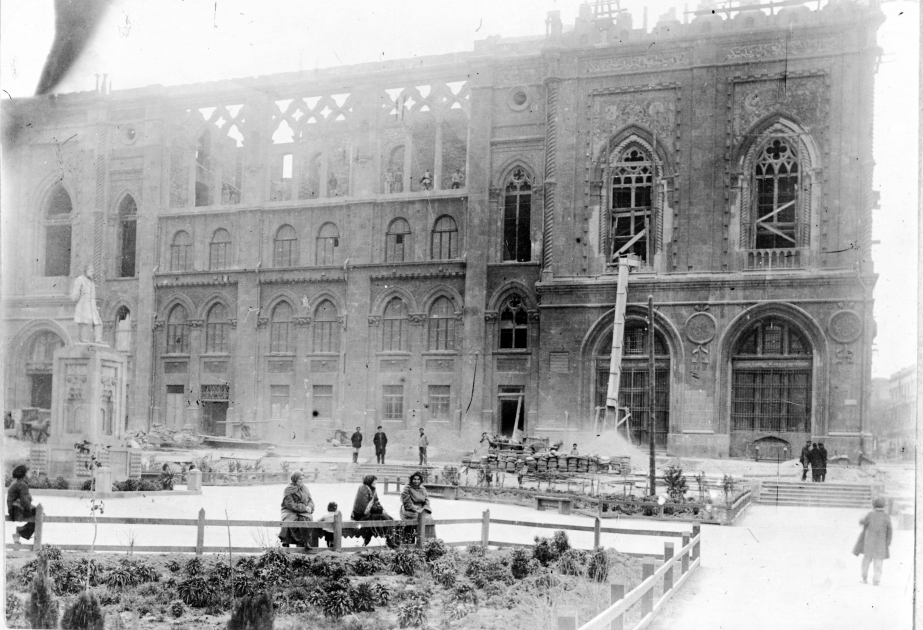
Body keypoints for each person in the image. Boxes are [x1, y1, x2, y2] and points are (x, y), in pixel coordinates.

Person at [853, 497, 893, 585]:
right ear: (883, 506)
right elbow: (889, 529)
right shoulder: (886, 516)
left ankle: (864, 578)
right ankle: (876, 580)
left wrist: (861, 519)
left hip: (869, 542)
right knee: (878, 561)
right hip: (881, 543)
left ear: (874, 506)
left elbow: (863, 522)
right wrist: (888, 541)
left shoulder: (870, 515)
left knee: (866, 560)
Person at [351, 475, 395, 546]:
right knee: (385, 518)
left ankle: (390, 540)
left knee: (390, 518)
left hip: (368, 514)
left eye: (375, 482)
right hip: (360, 516)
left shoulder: (372, 489)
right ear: (369, 482)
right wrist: (380, 510)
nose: (375, 484)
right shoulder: (363, 489)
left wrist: (383, 510)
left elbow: (376, 502)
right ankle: (390, 541)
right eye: (374, 482)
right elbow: (364, 508)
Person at [278, 471, 314, 547]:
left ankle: (306, 541)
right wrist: (304, 507)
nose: (302, 481)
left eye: (303, 479)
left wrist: (310, 507)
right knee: (288, 521)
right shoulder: (288, 489)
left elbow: (310, 500)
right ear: (294, 479)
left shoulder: (305, 488)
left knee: (306, 519)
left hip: (303, 511)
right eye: (300, 479)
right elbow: (291, 505)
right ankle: (286, 542)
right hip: (289, 511)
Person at [71, 263, 104, 344]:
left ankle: (98, 339)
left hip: (92, 305)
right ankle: (83, 338)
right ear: (85, 270)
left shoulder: (91, 282)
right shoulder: (80, 279)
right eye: (90, 270)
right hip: (83, 304)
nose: (92, 272)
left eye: (93, 271)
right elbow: (75, 294)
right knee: (83, 322)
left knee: (97, 322)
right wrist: (75, 299)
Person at [400, 471, 435, 540]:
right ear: (411, 479)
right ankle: (421, 540)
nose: (416, 481)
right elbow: (407, 503)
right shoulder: (406, 489)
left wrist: (425, 508)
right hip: (410, 510)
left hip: (422, 509)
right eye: (414, 479)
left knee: (430, 519)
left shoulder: (423, 488)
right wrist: (417, 509)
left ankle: (429, 541)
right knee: (421, 519)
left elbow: (426, 500)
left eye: (418, 479)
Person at [7, 465, 36, 545]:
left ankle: (18, 534)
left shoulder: (17, 482)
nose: (31, 473)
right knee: (39, 515)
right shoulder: (22, 484)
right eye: (29, 472)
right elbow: (24, 501)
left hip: (14, 509)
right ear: (24, 474)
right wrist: (31, 510)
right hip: (18, 510)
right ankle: (19, 532)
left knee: (37, 513)